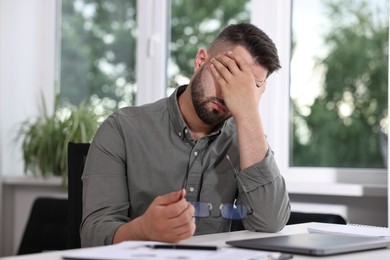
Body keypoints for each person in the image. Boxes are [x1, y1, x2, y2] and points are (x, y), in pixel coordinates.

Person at [80, 23, 291, 247]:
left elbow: (271, 222)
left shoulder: (246, 140)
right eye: (228, 74)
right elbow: (93, 235)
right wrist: (143, 230)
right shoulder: (121, 129)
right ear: (201, 61)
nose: (229, 94)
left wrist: (249, 113)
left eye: (246, 88)